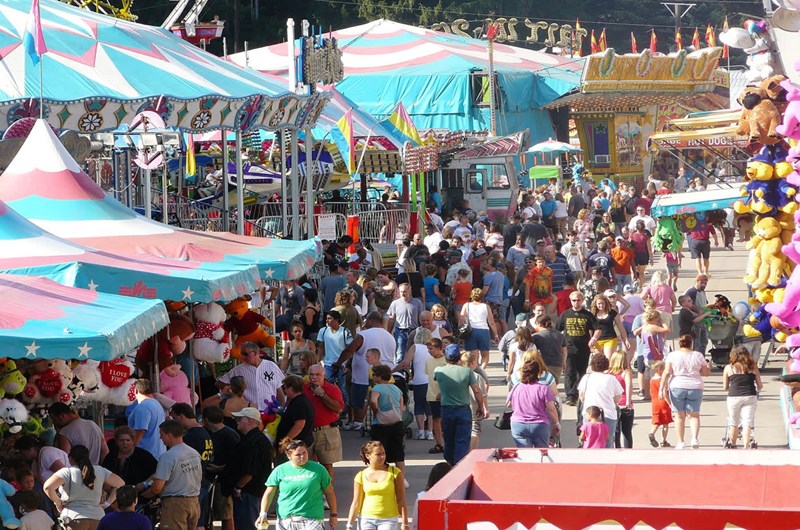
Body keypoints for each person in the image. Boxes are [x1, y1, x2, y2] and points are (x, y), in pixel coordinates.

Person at [334, 312, 397, 431]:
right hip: (386, 376)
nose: (364, 323)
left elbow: (349, 350)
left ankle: (358, 422)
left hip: (363, 375)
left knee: (361, 399)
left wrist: (338, 363)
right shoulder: (390, 336)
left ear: (372, 321)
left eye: (366, 320)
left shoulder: (363, 335)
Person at [256, 439, 338, 530]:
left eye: (304, 453)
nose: (302, 456)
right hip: (286, 519)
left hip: (312, 519)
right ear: (289, 456)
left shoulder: (319, 469)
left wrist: (333, 515)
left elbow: (329, 492)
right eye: (298, 455)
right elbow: (269, 493)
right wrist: (263, 513)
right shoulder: (279, 470)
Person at [44, 445, 125, 530]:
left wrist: (58, 502)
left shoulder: (66, 472)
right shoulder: (100, 470)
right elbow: (120, 484)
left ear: (70, 458)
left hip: (73, 516)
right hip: (98, 517)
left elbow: (47, 487)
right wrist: (107, 503)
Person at [141, 421, 202, 530]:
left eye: (162, 434)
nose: (160, 438)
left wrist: (146, 494)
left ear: (169, 435)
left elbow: (157, 488)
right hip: (194, 502)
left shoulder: (168, 457)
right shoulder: (194, 453)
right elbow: (199, 477)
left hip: (175, 504)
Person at [433, 344, 487, 465]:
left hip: (446, 409)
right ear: (459, 357)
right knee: (462, 440)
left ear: (445, 357)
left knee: (448, 438)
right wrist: (480, 406)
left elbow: (438, 381)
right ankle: (458, 465)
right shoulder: (467, 372)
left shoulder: (439, 370)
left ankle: (450, 461)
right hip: (463, 410)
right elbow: (477, 390)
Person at [660, 334, 711, 449]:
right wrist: (709, 366)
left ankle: (681, 442)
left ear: (680, 343)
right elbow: (706, 373)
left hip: (677, 385)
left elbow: (667, 372)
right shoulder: (698, 355)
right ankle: (694, 439)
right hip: (695, 386)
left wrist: (661, 388)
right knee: (694, 415)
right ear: (691, 343)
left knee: (679, 416)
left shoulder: (672, 356)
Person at [168, 404, 214, 530]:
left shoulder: (190, 437)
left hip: (193, 485)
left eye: (175, 419)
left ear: (181, 417)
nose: (175, 423)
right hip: (203, 482)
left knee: (189, 524)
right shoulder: (205, 433)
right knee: (198, 523)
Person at [225, 407, 271, 529]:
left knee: (246, 525)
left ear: (250, 421)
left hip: (248, 493)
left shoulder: (252, 442)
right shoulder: (258, 439)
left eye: (240, 419)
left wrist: (238, 487)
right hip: (254, 492)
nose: (236, 421)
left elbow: (249, 471)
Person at [346, 440, 409, 530]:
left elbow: (401, 500)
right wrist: (349, 525)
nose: (382, 456)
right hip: (366, 518)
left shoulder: (395, 472)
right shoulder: (360, 475)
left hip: (388, 519)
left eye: (383, 453)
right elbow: (356, 503)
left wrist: (405, 523)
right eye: (378, 454)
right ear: (368, 456)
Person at [304, 364, 345, 484]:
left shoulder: (332, 389)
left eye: (318, 375)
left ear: (324, 375)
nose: (314, 377)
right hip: (308, 431)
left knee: (326, 465)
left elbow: (338, 409)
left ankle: (327, 495)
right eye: (311, 375)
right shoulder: (304, 389)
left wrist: (322, 394)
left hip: (327, 431)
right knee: (306, 464)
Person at [201, 406, 240, 530]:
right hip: (207, 478)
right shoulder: (205, 433)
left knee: (226, 513)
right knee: (207, 513)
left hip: (224, 481)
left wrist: (220, 468)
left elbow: (236, 460)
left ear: (206, 419)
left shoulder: (230, 435)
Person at [506, 360, 559, 448]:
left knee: (525, 455)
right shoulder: (543, 389)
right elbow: (551, 409)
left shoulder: (516, 387)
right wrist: (556, 423)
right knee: (542, 454)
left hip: (518, 424)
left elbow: (509, 404)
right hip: (539, 425)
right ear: (538, 373)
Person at [216, 342, 285, 409]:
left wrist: (281, 409)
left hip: (270, 411)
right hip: (248, 412)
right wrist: (235, 391)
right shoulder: (239, 369)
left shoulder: (271, 366)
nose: (243, 357)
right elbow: (219, 383)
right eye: (242, 354)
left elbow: (278, 389)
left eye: (245, 354)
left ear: (255, 352)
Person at [557, 291, 597, 406]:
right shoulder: (566, 314)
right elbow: (557, 329)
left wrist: (593, 338)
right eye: (574, 300)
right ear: (571, 301)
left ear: (582, 300)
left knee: (581, 373)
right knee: (570, 372)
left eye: (578, 300)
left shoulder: (588, 315)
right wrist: (560, 344)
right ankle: (570, 396)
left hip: (584, 348)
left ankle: (579, 393)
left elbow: (597, 328)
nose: (576, 302)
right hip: (569, 348)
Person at [394, 328, 434, 441]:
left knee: (419, 405)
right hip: (431, 381)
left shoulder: (415, 347)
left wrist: (404, 372)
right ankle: (430, 432)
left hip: (419, 380)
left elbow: (405, 363)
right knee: (429, 407)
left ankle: (421, 431)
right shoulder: (432, 349)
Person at [369, 365, 407, 477]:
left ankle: (379, 475)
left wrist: (376, 411)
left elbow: (373, 401)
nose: (373, 377)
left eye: (374, 375)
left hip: (381, 424)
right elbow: (401, 406)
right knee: (398, 452)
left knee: (378, 451)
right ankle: (401, 478)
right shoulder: (397, 389)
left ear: (379, 377)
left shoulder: (376, 388)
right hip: (397, 423)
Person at [578, 354, 623, 448]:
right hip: (608, 414)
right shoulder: (611, 378)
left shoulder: (586, 378)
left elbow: (581, 396)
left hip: (589, 413)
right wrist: (612, 401)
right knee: (608, 442)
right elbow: (618, 396)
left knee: (588, 441)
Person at [722, 345, 763, 449]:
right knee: (747, 422)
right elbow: (760, 385)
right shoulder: (753, 367)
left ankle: (734, 444)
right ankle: (746, 446)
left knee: (733, 421)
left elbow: (725, 387)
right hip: (750, 395)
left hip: (734, 397)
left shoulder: (729, 367)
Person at [100, 426, 157, 490]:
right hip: (115, 495)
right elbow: (103, 474)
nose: (125, 443)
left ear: (133, 441)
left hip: (139, 495)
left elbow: (157, 473)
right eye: (121, 440)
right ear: (116, 442)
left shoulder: (143, 455)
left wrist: (145, 484)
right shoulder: (111, 456)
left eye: (128, 440)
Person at [275, 375, 315, 454]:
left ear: (291, 388)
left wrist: (285, 442)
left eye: (285, 388)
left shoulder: (299, 403)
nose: (284, 391)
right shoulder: (302, 400)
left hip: (295, 447)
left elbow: (299, 425)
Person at [126, 379, 166, 459]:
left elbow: (140, 432)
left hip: (145, 454)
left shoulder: (143, 407)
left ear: (136, 390)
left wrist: (131, 452)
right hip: (158, 452)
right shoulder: (156, 404)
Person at [387, 283, 423, 364]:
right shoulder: (395, 303)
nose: (403, 294)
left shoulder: (417, 302)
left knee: (415, 354)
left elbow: (421, 318)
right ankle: (399, 374)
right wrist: (388, 331)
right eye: (401, 292)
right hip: (400, 331)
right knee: (400, 354)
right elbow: (391, 319)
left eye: (405, 291)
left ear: (410, 291)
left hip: (414, 331)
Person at [424, 339, 447, 454]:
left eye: (431, 348)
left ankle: (448, 442)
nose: (429, 351)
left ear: (439, 348)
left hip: (445, 395)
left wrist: (443, 392)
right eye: (428, 349)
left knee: (446, 419)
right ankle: (439, 444)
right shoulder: (428, 361)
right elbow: (429, 376)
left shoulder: (446, 361)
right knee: (436, 419)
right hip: (432, 395)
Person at [608, 351, 634, 448]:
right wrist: (628, 400)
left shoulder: (609, 373)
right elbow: (629, 385)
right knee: (627, 432)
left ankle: (617, 450)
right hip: (624, 403)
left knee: (616, 431)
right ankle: (628, 452)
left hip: (613, 404)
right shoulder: (626, 372)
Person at [648, 360, 673, 448]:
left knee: (656, 421)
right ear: (660, 370)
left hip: (655, 403)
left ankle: (652, 433)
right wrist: (670, 404)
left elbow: (651, 391)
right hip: (663, 403)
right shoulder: (662, 380)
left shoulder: (651, 380)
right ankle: (663, 440)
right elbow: (664, 394)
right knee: (665, 423)